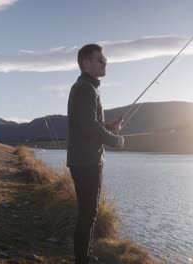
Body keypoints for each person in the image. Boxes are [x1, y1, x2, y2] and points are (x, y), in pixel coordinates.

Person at [67, 44, 124, 264]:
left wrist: (110, 127)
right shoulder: (85, 88)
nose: (105, 61)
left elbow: (90, 124)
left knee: (88, 213)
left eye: (104, 58)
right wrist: (115, 140)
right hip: (86, 162)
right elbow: (89, 127)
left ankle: (85, 257)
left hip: (85, 160)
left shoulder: (88, 88)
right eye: (100, 59)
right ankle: (83, 259)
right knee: (88, 214)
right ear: (86, 63)